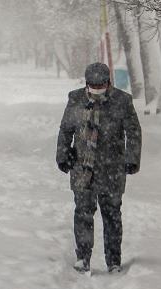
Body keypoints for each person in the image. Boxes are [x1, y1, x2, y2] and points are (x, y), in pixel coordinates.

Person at [56, 63, 142, 274]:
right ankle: (83, 258)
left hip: (112, 169)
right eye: (93, 85)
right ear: (86, 83)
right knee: (83, 213)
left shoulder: (122, 101)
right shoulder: (75, 99)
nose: (96, 88)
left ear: (108, 82)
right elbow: (66, 130)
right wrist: (63, 155)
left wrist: (132, 159)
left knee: (112, 215)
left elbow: (133, 132)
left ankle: (113, 261)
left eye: (100, 84)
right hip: (82, 169)